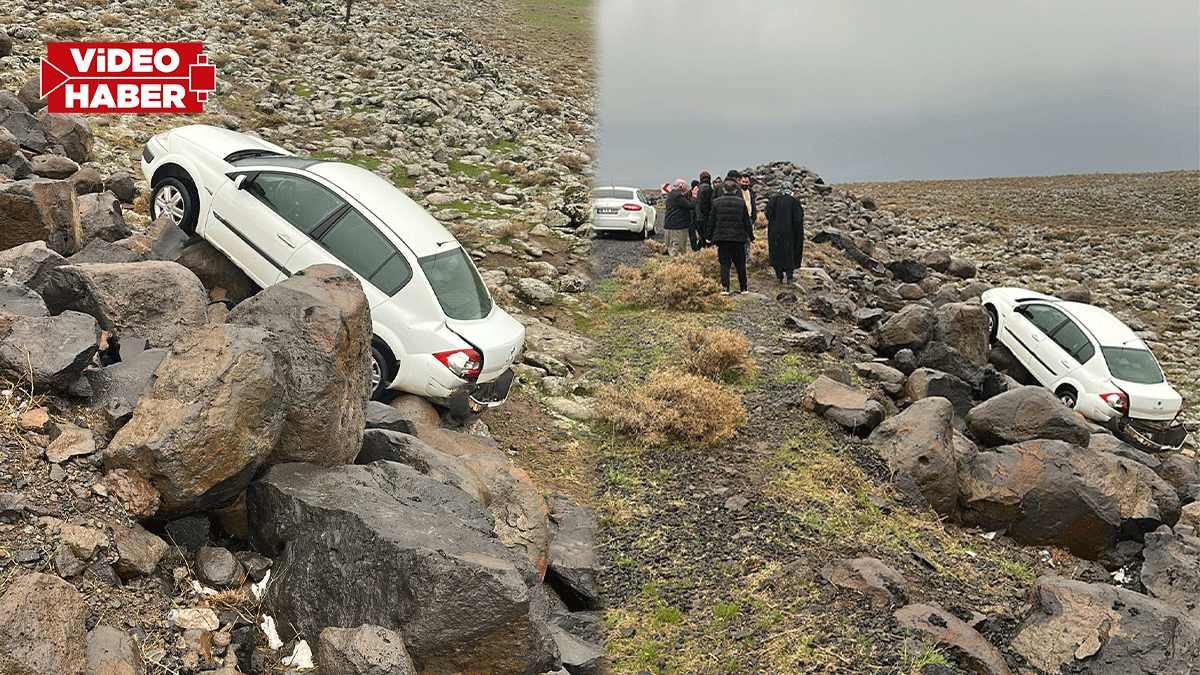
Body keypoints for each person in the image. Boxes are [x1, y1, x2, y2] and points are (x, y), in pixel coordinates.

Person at [706, 178, 753, 294]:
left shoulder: (716, 202)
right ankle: (743, 287)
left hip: (722, 238)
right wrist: (752, 237)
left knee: (724, 263)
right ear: (736, 190)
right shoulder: (741, 203)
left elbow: (712, 221)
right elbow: (746, 221)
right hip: (738, 237)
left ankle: (725, 287)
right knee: (740, 264)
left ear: (723, 189)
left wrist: (708, 236)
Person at [765, 180, 804, 284]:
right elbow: (798, 219)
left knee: (776, 252)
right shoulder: (794, 202)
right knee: (789, 253)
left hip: (774, 232)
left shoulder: (773, 200)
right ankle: (789, 276)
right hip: (790, 233)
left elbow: (767, 213)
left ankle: (779, 276)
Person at [662, 178, 694, 257]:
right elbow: (690, 206)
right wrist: (695, 197)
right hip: (677, 227)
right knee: (677, 249)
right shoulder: (678, 196)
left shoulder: (671, 195)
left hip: (670, 225)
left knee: (672, 248)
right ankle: (674, 268)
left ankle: (676, 267)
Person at [693, 171, 713, 251]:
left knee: (702, 237)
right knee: (706, 238)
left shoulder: (699, 188)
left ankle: (698, 251)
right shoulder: (707, 188)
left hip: (699, 216)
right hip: (704, 218)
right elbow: (706, 204)